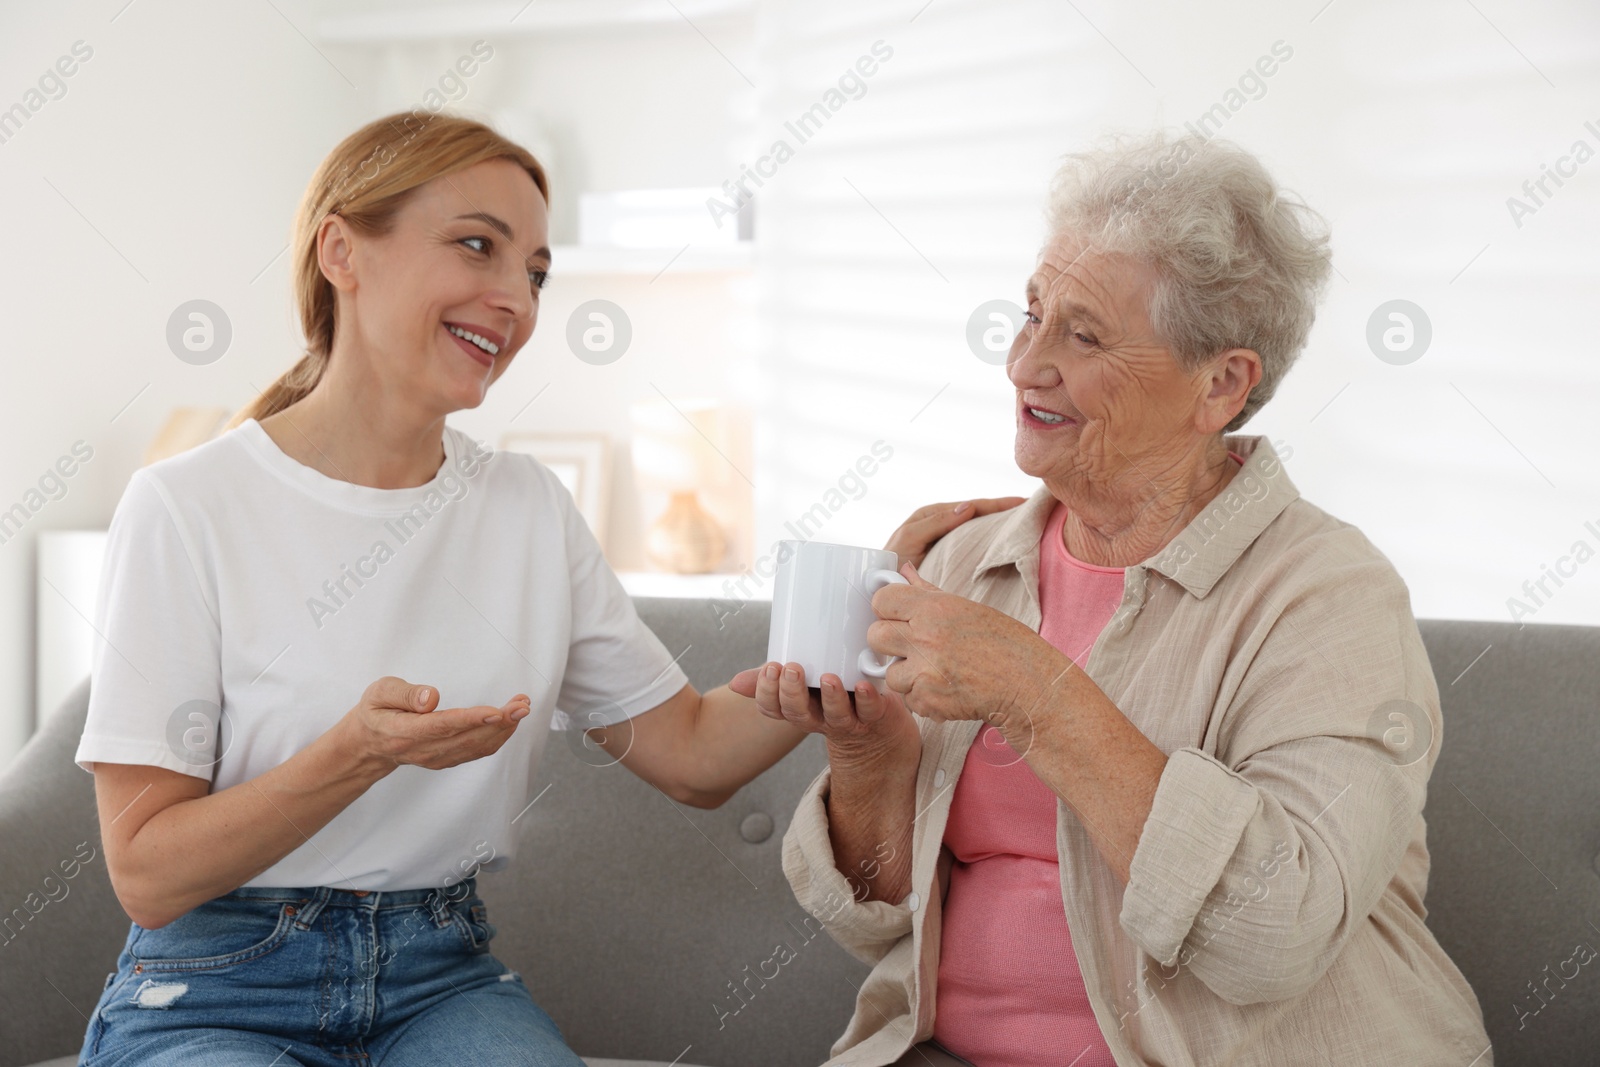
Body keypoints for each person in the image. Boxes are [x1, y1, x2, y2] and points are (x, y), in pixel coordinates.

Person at [71, 109, 1010, 1067]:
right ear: (342, 251)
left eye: (534, 273)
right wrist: (357, 752)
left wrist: (873, 606)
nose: (514, 298)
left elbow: (690, 752)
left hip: (435, 978)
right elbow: (146, 871)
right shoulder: (188, 506)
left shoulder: (524, 507)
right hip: (215, 986)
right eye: (477, 246)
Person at [753, 131, 1495, 1066]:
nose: (1026, 365)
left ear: (1220, 384)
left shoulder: (1329, 598)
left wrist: (1038, 694)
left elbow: (1276, 932)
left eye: (1084, 334)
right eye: (1031, 314)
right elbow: (875, 917)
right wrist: (868, 757)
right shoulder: (967, 565)